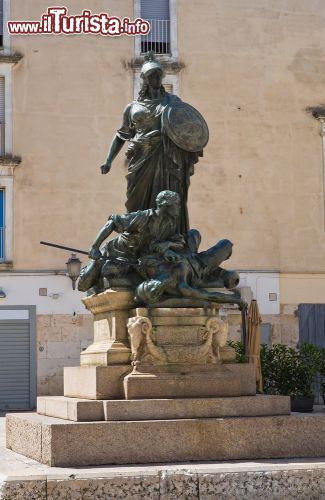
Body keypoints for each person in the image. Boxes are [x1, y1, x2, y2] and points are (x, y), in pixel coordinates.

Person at [100, 52, 206, 235]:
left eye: (158, 75)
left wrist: (192, 144)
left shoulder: (172, 102)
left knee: (167, 198)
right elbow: (121, 135)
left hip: (167, 159)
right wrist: (108, 160)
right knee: (135, 201)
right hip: (140, 158)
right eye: (152, 76)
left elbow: (186, 126)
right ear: (146, 80)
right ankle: (136, 239)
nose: (157, 78)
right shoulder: (132, 107)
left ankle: (168, 238)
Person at [78, 191, 184, 292]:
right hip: (111, 253)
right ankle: (94, 271)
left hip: (132, 260)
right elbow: (112, 222)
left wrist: (168, 244)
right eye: (176, 204)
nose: (179, 207)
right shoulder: (142, 217)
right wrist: (95, 247)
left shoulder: (169, 223)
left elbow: (180, 242)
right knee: (84, 284)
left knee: (113, 270)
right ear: (166, 205)